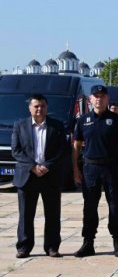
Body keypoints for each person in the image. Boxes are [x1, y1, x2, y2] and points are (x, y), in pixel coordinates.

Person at [72, 85, 118, 257]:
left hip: (112, 168)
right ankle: (88, 242)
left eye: (102, 96)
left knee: (115, 206)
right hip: (90, 168)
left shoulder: (117, 120)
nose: (99, 99)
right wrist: (75, 169)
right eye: (96, 96)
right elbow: (76, 146)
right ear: (90, 99)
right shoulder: (83, 121)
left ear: (107, 99)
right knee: (89, 207)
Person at [12, 94, 67, 258]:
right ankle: (24, 247)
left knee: (53, 214)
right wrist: (33, 167)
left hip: (50, 175)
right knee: (25, 215)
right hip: (27, 176)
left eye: (42, 106)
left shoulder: (57, 126)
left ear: (47, 108)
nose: (39, 109)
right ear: (29, 108)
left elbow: (62, 150)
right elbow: (16, 150)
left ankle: (52, 247)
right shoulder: (20, 126)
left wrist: (47, 166)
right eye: (36, 106)